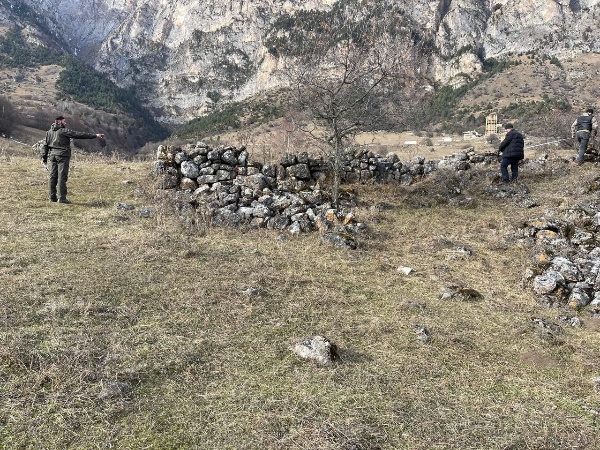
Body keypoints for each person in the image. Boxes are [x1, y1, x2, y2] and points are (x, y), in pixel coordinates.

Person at [40, 116, 104, 203]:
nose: (65, 123)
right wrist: (95, 135)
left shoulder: (49, 132)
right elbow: (78, 135)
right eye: (64, 121)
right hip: (62, 156)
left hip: (52, 156)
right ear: (59, 122)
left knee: (52, 177)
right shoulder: (64, 131)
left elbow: (45, 146)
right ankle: (62, 198)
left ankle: (52, 198)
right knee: (62, 177)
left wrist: (44, 158)